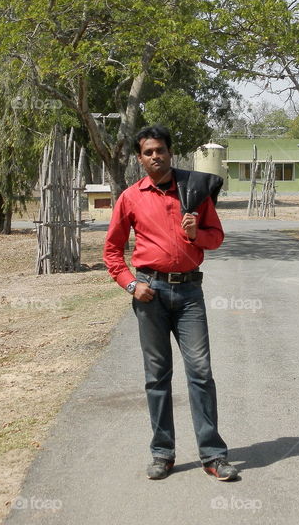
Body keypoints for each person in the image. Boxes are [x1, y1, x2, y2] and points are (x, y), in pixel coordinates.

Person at [103, 124, 239, 482]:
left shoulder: (194, 191)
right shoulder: (130, 198)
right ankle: (162, 453)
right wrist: (131, 284)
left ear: (170, 152)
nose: (155, 156)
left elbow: (217, 238)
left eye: (160, 150)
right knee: (157, 377)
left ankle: (212, 454)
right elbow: (112, 251)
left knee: (200, 373)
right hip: (150, 295)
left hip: (190, 294)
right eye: (148, 152)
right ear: (140, 158)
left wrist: (197, 234)